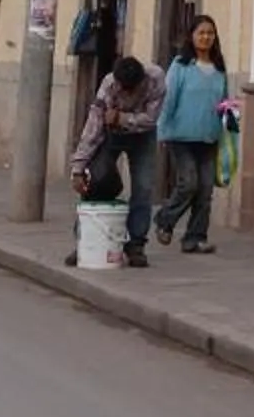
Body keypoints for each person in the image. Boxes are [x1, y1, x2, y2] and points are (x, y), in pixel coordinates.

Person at [68, 55, 162, 266]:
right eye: (123, 89)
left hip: (143, 137)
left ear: (142, 82)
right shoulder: (109, 86)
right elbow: (93, 128)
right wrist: (78, 168)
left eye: (132, 90)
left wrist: (122, 118)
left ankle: (136, 244)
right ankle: (85, 241)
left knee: (144, 187)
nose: (127, 94)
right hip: (111, 134)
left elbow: (151, 119)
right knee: (95, 182)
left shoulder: (156, 80)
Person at [152, 16, 230, 255]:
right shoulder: (180, 65)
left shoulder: (219, 68)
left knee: (205, 190)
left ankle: (194, 238)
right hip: (181, 137)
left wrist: (231, 132)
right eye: (201, 33)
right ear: (192, 36)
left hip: (209, 137)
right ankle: (164, 219)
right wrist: (162, 130)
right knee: (189, 183)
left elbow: (226, 102)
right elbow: (169, 99)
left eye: (210, 33)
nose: (206, 37)